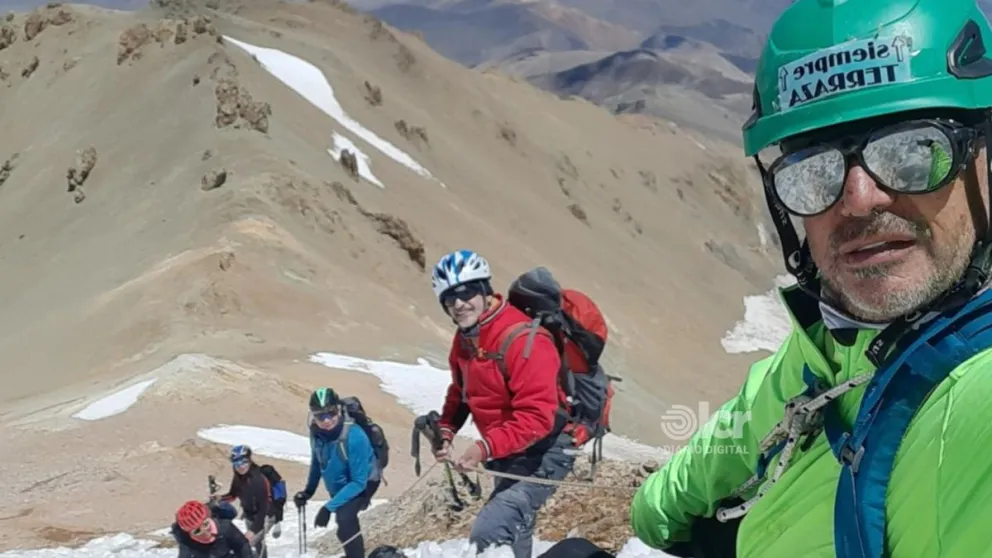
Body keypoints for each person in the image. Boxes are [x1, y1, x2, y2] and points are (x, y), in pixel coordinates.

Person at [629, 0, 992, 556]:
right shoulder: (832, 344)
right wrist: (649, 519)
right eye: (815, 169)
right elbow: (739, 432)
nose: (858, 199)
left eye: (914, 152)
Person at [430, 249, 576, 558]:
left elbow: (538, 418)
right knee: (514, 531)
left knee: (492, 531)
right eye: (449, 298)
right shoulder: (467, 338)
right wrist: (446, 431)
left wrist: (483, 448)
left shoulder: (524, 339)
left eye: (467, 291)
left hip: (546, 449)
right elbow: (462, 391)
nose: (459, 303)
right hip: (509, 449)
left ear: (484, 290)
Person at [293, 387, 380, 558]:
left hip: (364, 483)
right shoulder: (316, 433)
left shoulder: (355, 436)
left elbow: (358, 482)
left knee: (345, 518)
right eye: (320, 415)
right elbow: (317, 462)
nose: (326, 420)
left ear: (339, 410)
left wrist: (328, 508)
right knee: (343, 526)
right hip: (341, 486)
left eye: (330, 413)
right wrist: (308, 492)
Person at [215, 445, 270, 558]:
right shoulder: (238, 477)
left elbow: (264, 508)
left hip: (264, 516)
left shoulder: (258, 479)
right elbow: (233, 495)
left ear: (249, 460)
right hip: (249, 514)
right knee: (257, 544)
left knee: (247, 545)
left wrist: (254, 530)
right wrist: (219, 499)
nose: (241, 467)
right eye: (236, 464)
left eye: (244, 462)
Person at [171, 499, 253, 558]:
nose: (206, 533)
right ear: (189, 533)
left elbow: (242, 546)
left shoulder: (225, 528)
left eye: (206, 524)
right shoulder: (185, 540)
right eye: (197, 531)